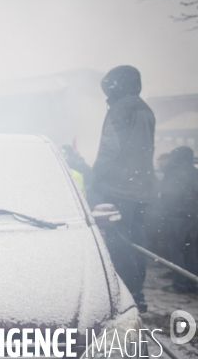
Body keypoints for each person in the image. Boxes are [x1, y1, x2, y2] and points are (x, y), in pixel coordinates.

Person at [92, 65, 156, 313]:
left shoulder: (121, 108)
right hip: (143, 191)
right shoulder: (145, 108)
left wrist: (96, 176)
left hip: (119, 190)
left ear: (118, 84)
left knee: (118, 244)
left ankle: (125, 296)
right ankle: (137, 294)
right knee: (137, 244)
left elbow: (110, 148)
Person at [160, 146, 198, 293]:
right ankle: (193, 284)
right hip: (194, 218)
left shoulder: (172, 173)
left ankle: (180, 285)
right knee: (193, 251)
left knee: (177, 251)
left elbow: (166, 195)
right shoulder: (195, 173)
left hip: (176, 217)